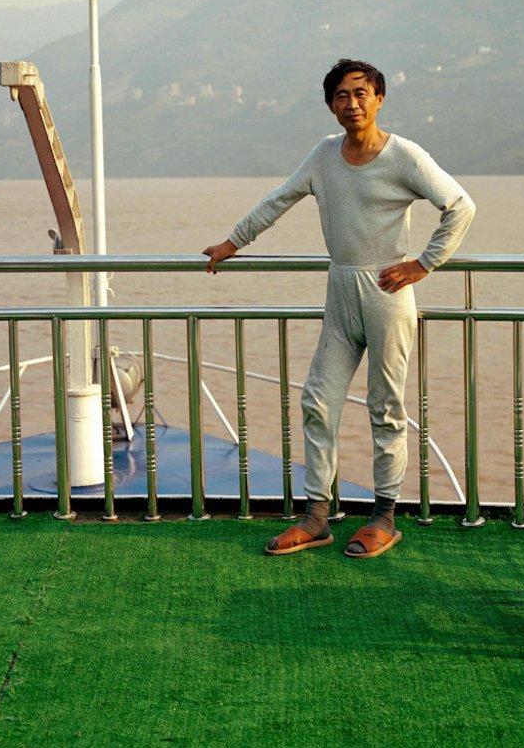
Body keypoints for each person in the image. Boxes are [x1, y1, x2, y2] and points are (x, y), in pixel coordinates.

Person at [202, 59, 475, 558]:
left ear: (379, 98)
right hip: (341, 289)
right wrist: (231, 242)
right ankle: (317, 517)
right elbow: (278, 200)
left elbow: (460, 205)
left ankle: (384, 517)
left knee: (385, 407)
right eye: (341, 97)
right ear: (330, 105)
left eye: (361, 93)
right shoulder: (324, 156)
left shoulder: (405, 156)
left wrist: (423, 264)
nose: (352, 104)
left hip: (389, 293)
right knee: (317, 401)